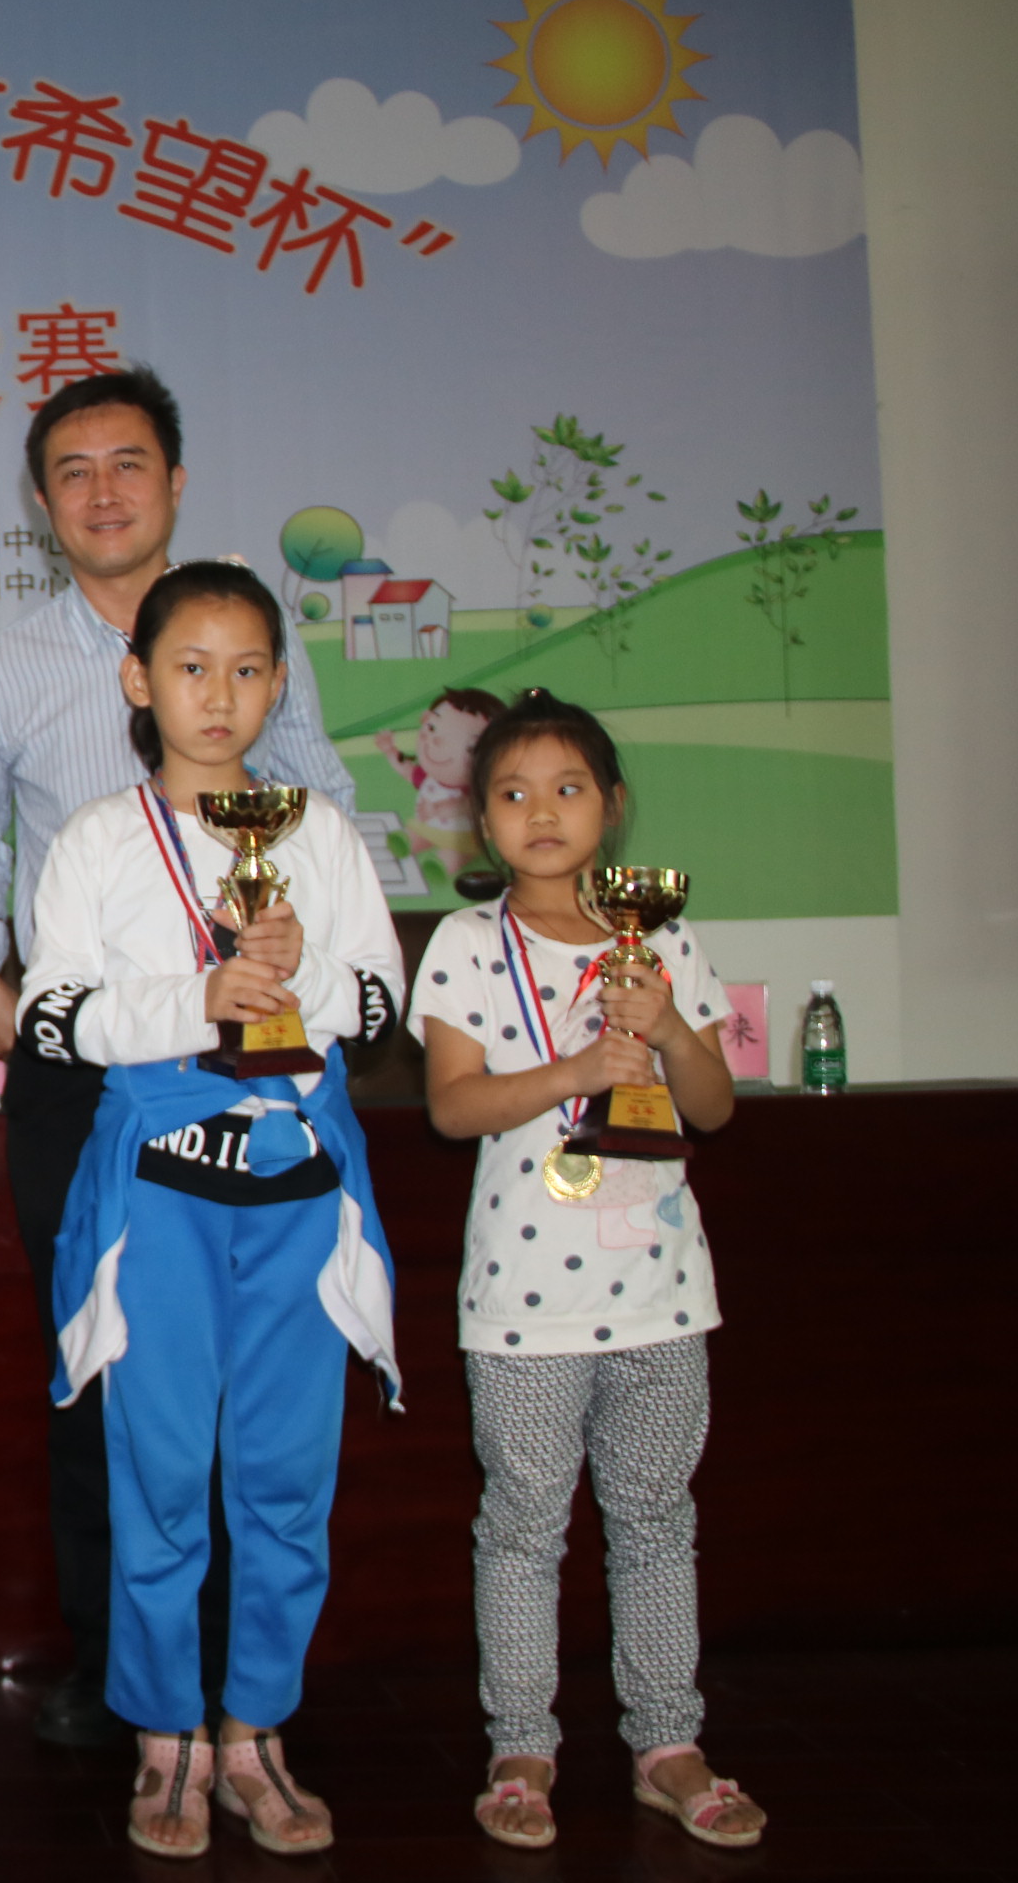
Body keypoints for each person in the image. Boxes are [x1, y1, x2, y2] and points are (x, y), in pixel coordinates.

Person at [0, 367, 356, 1749]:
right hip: (89, 1064)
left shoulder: (251, 634)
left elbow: (326, 802)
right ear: (40, 501)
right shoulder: (6, 666)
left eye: (128, 464)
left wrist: (318, 958)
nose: (103, 491)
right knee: (101, 1358)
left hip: (257, 1056)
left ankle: (247, 1677)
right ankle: (119, 1666)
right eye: (74, 470)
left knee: (257, 1369)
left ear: (175, 482)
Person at [13, 561, 404, 1859]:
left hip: (297, 1195)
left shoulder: (319, 835)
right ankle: (166, 1736)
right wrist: (203, 1000)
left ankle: (257, 1731)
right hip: (164, 1199)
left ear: (279, 684)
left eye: (246, 670)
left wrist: (304, 979)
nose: (218, 694)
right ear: (139, 680)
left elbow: (382, 1005)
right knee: (162, 1479)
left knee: (288, 1482)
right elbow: (50, 1018)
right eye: (191, 667)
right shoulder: (97, 840)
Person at [416, 691, 761, 1853]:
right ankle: (522, 1745)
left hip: (662, 1295)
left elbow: (712, 1107)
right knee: (522, 1528)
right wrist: (575, 1070)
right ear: (482, 822)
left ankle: (668, 1744)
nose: (542, 812)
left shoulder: (661, 942)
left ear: (613, 806)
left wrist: (666, 1028)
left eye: (568, 788)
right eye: (512, 793)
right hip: (524, 1306)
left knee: (657, 1520)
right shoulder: (468, 945)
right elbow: (453, 1105)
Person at [378, 686, 506, 896]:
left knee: (452, 855)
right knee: (413, 836)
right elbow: (406, 770)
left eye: (469, 746)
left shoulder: (471, 791)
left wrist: (435, 809)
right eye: (431, 728)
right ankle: (406, 843)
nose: (435, 741)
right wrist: (389, 750)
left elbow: (461, 807)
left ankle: (440, 865)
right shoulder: (429, 779)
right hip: (426, 827)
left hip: (462, 838)